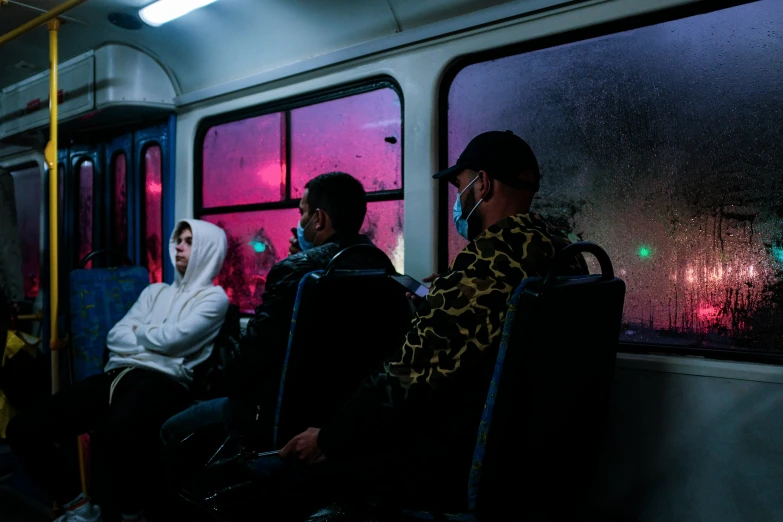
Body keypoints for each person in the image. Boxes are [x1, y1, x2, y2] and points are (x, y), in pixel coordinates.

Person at [267, 130, 589, 517]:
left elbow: (407, 374)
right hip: (534, 449)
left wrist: (328, 438)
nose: (458, 199)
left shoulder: (488, 260)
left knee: (295, 478)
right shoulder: (562, 252)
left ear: (482, 184)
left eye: (459, 186)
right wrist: (442, 303)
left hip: (455, 455)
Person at [6, 219, 229, 522]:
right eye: (178, 239)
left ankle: (130, 513)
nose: (178, 246)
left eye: (189, 241)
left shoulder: (214, 299)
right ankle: (77, 506)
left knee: (112, 436)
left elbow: (176, 341)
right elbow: (115, 336)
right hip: (116, 375)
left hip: (164, 381)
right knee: (23, 428)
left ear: (208, 250)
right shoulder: (154, 291)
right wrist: (152, 337)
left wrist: (140, 334)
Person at [159, 172, 380, 465]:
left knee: (170, 430)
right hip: (342, 411)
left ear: (319, 220)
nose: (298, 223)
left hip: (276, 416)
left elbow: (247, 362)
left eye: (302, 212)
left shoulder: (295, 271)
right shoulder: (377, 263)